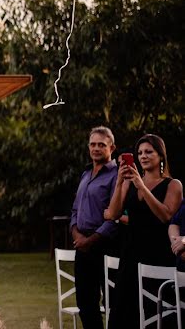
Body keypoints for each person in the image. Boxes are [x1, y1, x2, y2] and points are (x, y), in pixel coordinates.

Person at [106, 134, 182, 329]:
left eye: (149, 152)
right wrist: (119, 182)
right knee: (124, 311)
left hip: (158, 254)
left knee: (154, 313)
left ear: (161, 156)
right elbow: (113, 213)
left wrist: (141, 185)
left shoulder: (173, 184)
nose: (143, 156)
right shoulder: (129, 182)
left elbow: (165, 216)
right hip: (130, 253)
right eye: (139, 153)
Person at [69, 126, 119, 329]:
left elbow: (115, 217)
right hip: (82, 248)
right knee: (85, 304)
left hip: (105, 247)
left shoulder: (117, 175)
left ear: (112, 148)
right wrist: (76, 234)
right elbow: (75, 209)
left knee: (112, 304)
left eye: (101, 145)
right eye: (93, 144)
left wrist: (90, 240)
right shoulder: (85, 174)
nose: (96, 148)